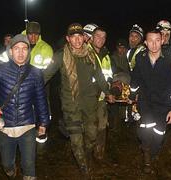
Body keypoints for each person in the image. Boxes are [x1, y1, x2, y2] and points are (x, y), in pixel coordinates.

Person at [43, 23, 114, 175]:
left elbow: (100, 77)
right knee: (76, 140)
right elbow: (44, 76)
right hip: (71, 105)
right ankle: (84, 169)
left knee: (92, 136)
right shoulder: (60, 56)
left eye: (79, 36)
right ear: (68, 39)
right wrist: (29, 89)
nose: (77, 40)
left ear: (84, 38)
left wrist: (108, 92)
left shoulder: (90, 55)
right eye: (73, 37)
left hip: (89, 104)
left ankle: (87, 156)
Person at [0, 34, 50, 179]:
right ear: (10, 51)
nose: (21, 52)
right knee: (7, 165)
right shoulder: (0, 70)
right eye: (17, 48)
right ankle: (11, 171)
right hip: (5, 126)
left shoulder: (35, 73)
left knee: (29, 167)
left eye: (24, 48)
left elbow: (41, 99)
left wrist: (43, 123)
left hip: (28, 126)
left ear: (28, 51)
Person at [130, 29, 171, 174]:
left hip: (163, 105)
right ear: (145, 43)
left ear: (162, 41)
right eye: (150, 41)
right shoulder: (140, 58)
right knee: (145, 131)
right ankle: (147, 161)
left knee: (159, 135)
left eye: (157, 40)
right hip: (145, 102)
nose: (154, 44)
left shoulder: (170, 60)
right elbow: (136, 78)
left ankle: (151, 154)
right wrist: (132, 95)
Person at [88, 26, 113, 160]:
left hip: (102, 99)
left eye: (103, 37)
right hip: (88, 98)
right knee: (89, 128)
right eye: (98, 36)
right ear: (91, 37)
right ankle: (86, 154)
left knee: (102, 126)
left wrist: (111, 89)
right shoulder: (85, 53)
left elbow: (108, 76)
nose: (100, 39)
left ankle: (99, 155)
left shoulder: (107, 56)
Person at [125, 24, 145, 123]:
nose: (133, 39)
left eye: (136, 37)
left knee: (142, 119)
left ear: (141, 39)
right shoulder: (129, 52)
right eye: (131, 36)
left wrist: (135, 92)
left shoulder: (143, 52)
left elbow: (141, 74)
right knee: (133, 117)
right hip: (134, 87)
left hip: (142, 90)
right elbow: (131, 72)